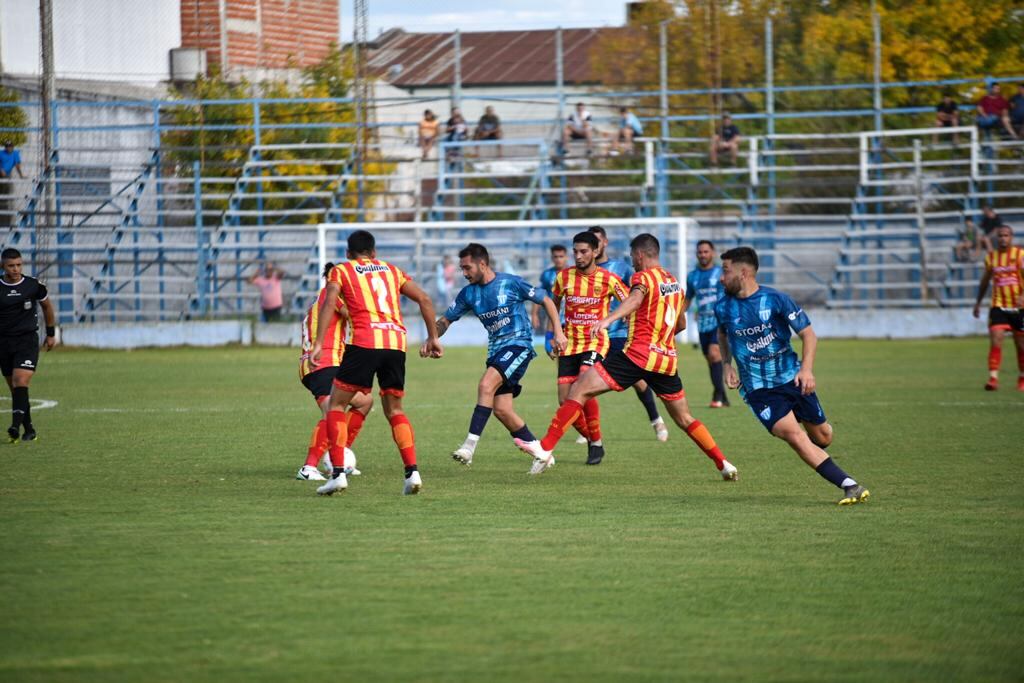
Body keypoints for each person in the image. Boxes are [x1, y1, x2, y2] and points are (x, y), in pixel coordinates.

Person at [514, 234, 738, 480]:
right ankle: (724, 463)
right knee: (685, 418)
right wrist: (660, 338)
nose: (631, 261)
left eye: (632, 256)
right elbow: (681, 323)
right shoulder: (673, 282)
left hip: (636, 355)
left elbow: (634, 299)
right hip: (666, 360)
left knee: (579, 389)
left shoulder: (641, 277)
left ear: (640, 255)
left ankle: (545, 448)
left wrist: (608, 319)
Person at [715, 246, 870, 506]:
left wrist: (806, 370)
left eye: (725, 271)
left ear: (743, 273)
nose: (721, 277)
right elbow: (722, 334)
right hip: (758, 390)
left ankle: (815, 438)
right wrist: (727, 366)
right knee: (794, 436)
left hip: (792, 378)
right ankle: (849, 485)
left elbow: (808, 334)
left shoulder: (776, 300)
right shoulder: (723, 307)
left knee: (822, 437)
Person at [311, 230, 444, 496]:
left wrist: (317, 343)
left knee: (336, 404)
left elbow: (328, 303)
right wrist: (433, 338)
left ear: (349, 254)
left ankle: (337, 474)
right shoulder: (392, 270)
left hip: (363, 342)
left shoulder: (342, 270)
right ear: (374, 253)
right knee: (395, 410)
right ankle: (412, 472)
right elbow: (425, 299)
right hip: (395, 344)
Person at [443, 243, 567, 467]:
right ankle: (543, 453)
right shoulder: (468, 293)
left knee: (485, 385)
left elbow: (547, 300)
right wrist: (433, 336)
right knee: (502, 410)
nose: (464, 273)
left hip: (518, 345)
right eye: (462, 268)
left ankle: (469, 447)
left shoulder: (510, 282)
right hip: (496, 351)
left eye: (467, 267)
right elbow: (445, 320)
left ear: (483, 264)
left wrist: (557, 332)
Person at [548, 231, 629, 465]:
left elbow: (631, 301)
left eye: (583, 251)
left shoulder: (608, 279)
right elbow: (552, 305)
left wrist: (617, 319)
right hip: (569, 343)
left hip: (595, 342)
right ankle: (595, 441)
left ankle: (591, 445)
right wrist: (555, 334)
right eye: (575, 251)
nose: (578, 256)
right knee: (565, 400)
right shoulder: (563, 277)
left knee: (583, 385)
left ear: (595, 252)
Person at [589, 225, 669, 441]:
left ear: (604, 243)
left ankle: (656, 420)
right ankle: (589, 430)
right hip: (591, 335)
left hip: (616, 333)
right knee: (583, 377)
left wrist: (627, 311)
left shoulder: (621, 268)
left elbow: (636, 294)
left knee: (638, 381)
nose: (594, 247)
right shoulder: (582, 273)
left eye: (597, 241)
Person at [295, 262, 373, 481]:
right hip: (322, 362)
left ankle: (340, 455)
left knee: (364, 402)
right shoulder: (332, 294)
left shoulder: (323, 297)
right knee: (331, 411)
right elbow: (353, 314)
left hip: (326, 363)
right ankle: (308, 467)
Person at [1, 248, 56, 443]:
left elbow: (47, 306)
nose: (15, 269)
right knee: (16, 389)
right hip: (4, 343)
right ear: (3, 266)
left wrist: (50, 333)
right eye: (11, 266)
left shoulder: (33, 285)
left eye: (18, 265)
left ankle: (14, 426)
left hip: (26, 340)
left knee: (20, 381)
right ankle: (29, 429)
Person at [972, 225, 1024, 392]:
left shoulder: (1020, 255)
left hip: (1019, 307)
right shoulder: (991, 257)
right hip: (998, 305)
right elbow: (985, 281)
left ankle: (1022, 378)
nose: (1003, 238)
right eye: (1000, 235)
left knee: (1021, 344)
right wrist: (978, 302)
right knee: (996, 338)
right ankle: (993, 378)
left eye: (1006, 235)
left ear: (1011, 237)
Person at [684, 240, 728, 407]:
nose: (703, 255)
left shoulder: (720, 273)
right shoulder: (692, 276)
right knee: (710, 359)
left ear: (713, 253)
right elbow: (688, 298)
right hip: (703, 323)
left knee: (714, 353)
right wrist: (676, 315)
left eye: (706, 251)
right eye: (700, 252)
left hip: (719, 321)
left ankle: (717, 396)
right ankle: (722, 397)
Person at [531, 244, 568, 356]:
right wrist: (534, 314)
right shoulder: (547, 275)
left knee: (567, 352)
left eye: (561, 256)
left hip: (570, 317)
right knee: (550, 348)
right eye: (555, 257)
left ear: (566, 257)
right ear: (552, 258)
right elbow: (539, 294)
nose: (558, 259)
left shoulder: (573, 273)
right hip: (553, 317)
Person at [0, 141, 24, 228]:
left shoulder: (15, 153)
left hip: (7, 176)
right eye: (7, 146)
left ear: (13, 147)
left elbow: (17, 165)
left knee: (9, 196)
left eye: (10, 146)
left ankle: (12, 222)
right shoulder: (1, 153)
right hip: (2, 175)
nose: (9, 148)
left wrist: (21, 175)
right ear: (5, 147)